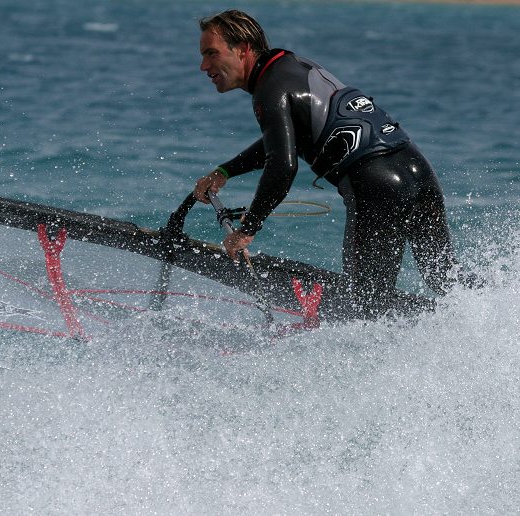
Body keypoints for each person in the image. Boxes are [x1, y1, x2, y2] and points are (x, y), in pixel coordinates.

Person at [193, 9, 467, 317]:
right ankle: (501, 311)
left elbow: (282, 165)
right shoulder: (290, 66)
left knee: (365, 307)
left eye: (211, 54)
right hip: (417, 170)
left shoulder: (269, 90)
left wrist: (247, 230)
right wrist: (226, 170)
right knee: (446, 279)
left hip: (376, 185)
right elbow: (283, 141)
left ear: (242, 48)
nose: (204, 65)